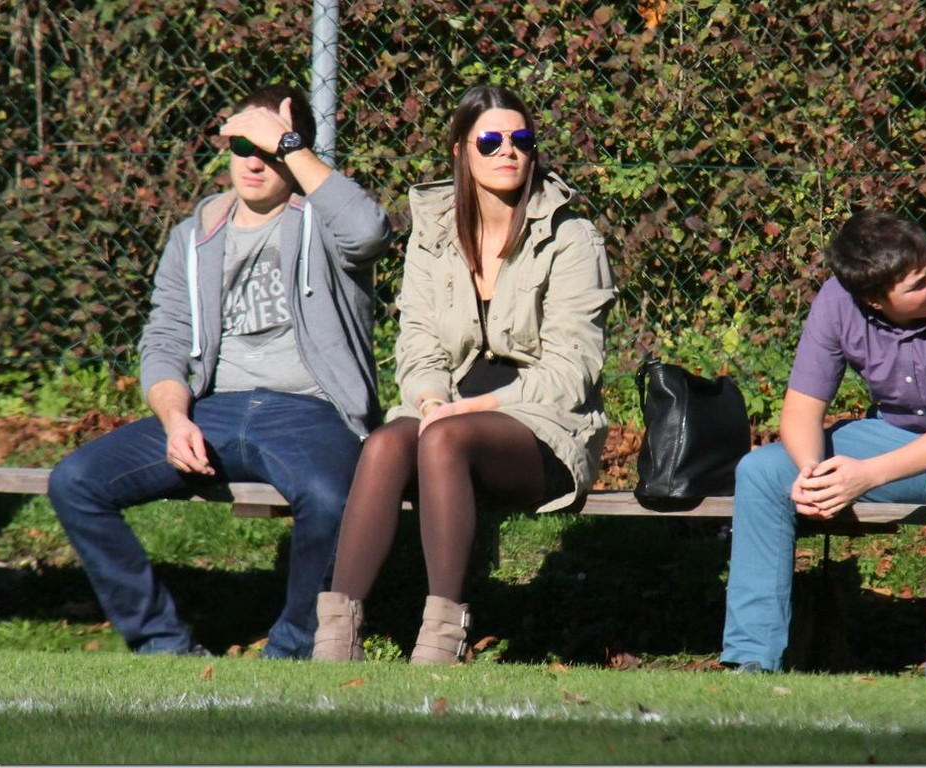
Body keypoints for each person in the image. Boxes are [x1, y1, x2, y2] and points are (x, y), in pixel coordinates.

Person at [48, 84, 392, 659]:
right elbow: (164, 340)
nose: (253, 162)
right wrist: (176, 419)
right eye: (241, 146)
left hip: (309, 411)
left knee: (330, 498)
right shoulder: (194, 236)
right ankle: (162, 646)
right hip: (213, 411)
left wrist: (290, 145)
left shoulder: (324, 221)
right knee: (75, 481)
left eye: (268, 150)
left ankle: (292, 650)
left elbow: (370, 231)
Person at [311, 84, 617, 665]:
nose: (508, 151)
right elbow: (418, 343)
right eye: (491, 140)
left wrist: (463, 412)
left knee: (443, 438)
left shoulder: (572, 238)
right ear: (461, 150)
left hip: (544, 428)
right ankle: (336, 636)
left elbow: (571, 372)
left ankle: (442, 636)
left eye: (521, 139)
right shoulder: (433, 234)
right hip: (449, 410)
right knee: (385, 443)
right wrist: (430, 400)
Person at [721, 208, 926, 678]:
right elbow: (800, 411)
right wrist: (813, 474)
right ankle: (752, 656)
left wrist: (866, 476)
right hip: (889, 435)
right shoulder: (838, 300)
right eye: (917, 285)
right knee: (761, 471)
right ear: (874, 301)